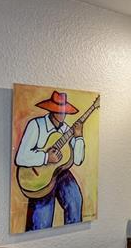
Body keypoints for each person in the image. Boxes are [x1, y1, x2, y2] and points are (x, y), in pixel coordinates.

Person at [14, 90, 85, 230]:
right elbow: (20, 158)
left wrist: (79, 137)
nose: (63, 114)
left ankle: (74, 235)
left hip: (60, 172)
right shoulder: (36, 125)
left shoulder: (66, 129)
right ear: (52, 110)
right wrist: (46, 157)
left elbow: (77, 160)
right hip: (38, 178)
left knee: (75, 200)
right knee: (42, 220)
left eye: (64, 111)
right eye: (59, 111)